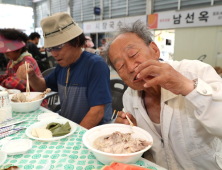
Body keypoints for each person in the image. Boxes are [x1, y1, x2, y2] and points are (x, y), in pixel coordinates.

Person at [106, 20, 222, 170]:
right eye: (120, 66)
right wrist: (125, 133)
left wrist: (187, 87)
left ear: (154, 49)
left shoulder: (195, 72)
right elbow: (143, 150)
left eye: (133, 54)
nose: (130, 67)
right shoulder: (130, 96)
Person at [17, 12, 112, 129]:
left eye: (58, 46)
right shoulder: (62, 66)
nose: (54, 54)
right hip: (68, 126)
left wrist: (75, 137)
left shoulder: (95, 65)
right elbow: (43, 86)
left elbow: (97, 112)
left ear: (76, 42)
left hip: (91, 132)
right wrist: (31, 76)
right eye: (50, 48)